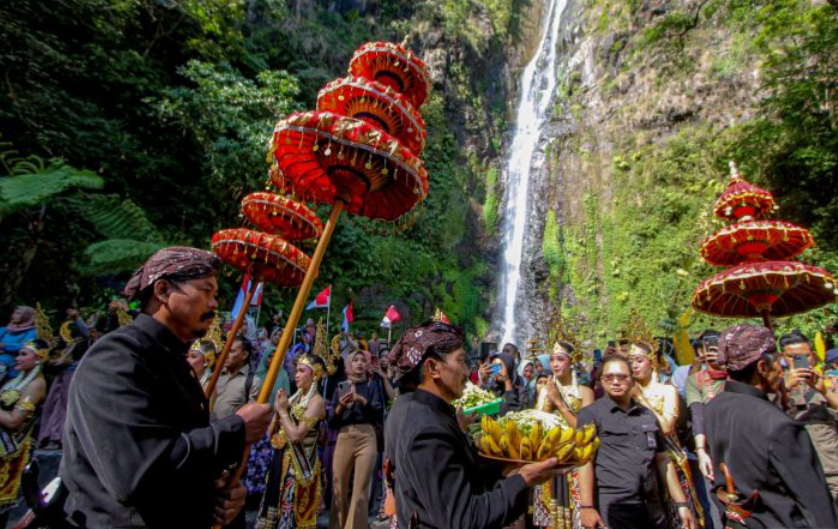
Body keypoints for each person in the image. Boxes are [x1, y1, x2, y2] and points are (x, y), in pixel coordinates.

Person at [60, 246, 273, 529]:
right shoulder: (117, 358)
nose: (213, 304)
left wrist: (220, 492)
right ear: (162, 290)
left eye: (216, 294)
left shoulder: (172, 360)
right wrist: (236, 429)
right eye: (205, 291)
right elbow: (138, 473)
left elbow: (184, 453)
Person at [385, 321, 565, 529]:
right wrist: (523, 480)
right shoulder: (428, 430)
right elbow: (465, 519)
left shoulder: (420, 410)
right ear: (433, 368)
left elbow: (458, 476)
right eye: (460, 361)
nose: (467, 370)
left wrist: (504, 468)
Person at [705, 324, 838, 528]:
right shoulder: (778, 424)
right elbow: (816, 505)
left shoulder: (714, 408)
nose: (781, 370)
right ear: (762, 368)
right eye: (778, 362)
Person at [577, 355, 695, 529]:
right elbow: (585, 461)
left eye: (622, 377)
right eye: (609, 377)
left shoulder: (647, 415)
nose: (615, 382)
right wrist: (587, 507)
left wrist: (681, 504)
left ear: (633, 380)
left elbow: (662, 460)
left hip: (652, 506)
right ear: (601, 381)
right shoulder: (590, 414)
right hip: (616, 506)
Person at [627, 341, 703, 528]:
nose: (633, 366)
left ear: (652, 361)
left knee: (679, 517)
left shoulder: (667, 391)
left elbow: (667, 427)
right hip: (642, 466)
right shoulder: (626, 394)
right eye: (630, 361)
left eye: (639, 360)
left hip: (671, 464)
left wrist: (641, 399)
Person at [256, 354, 327, 529]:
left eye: (302, 371)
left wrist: (282, 411)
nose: (296, 375)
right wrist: (278, 409)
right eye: (296, 370)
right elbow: (270, 432)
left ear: (314, 374)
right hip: (281, 462)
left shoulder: (316, 401)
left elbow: (296, 436)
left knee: (291, 512)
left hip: (299, 466)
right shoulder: (295, 398)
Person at [532, 340, 595, 529]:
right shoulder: (545, 390)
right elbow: (537, 427)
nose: (555, 364)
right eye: (552, 360)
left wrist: (559, 403)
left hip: (576, 464)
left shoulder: (585, 393)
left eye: (560, 359)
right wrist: (546, 403)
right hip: (549, 462)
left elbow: (586, 433)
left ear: (572, 361)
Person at [777, 331, 838, 500]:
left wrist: (824, 391)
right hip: (797, 470)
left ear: (813, 355)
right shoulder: (775, 385)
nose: (798, 361)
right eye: (791, 356)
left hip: (831, 468)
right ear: (782, 356)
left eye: (804, 356)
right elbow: (763, 416)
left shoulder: (829, 381)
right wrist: (785, 388)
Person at [328, 349, 384, 529]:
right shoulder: (340, 387)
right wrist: (341, 407)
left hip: (367, 437)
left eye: (362, 360)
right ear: (348, 365)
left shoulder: (371, 385)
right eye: (355, 360)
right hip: (344, 436)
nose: (359, 363)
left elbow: (378, 413)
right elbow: (331, 422)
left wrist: (361, 400)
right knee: (339, 487)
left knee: (360, 489)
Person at [0, 339, 48, 526]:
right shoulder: (16, 380)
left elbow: (14, 421)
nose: (17, 358)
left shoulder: (37, 385)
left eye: (23, 354)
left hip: (10, 454)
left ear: (38, 358)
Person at [38, 310, 92, 450]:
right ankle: (45, 436)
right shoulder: (68, 341)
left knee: (64, 405)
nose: (90, 324)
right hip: (62, 373)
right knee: (50, 404)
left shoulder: (86, 340)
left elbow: (87, 334)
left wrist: (77, 318)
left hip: (73, 374)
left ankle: (57, 437)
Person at [212, 335, 261, 421]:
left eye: (231, 351)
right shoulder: (215, 376)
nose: (226, 355)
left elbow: (252, 417)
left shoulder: (252, 382)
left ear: (244, 355)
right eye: (225, 351)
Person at [0, 306, 37, 380]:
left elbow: (23, 346)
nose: (13, 315)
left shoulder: (31, 332)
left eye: (18, 314)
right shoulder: (5, 329)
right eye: (14, 313)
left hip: (11, 362)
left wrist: (4, 346)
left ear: (26, 316)